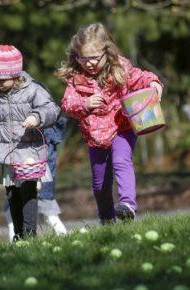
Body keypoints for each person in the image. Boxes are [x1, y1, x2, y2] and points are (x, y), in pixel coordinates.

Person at [55, 23, 163, 224]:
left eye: (94, 58)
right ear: (76, 56)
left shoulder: (120, 68)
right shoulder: (76, 79)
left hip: (122, 128)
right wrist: (84, 103)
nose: (89, 64)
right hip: (95, 137)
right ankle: (107, 219)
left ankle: (127, 205)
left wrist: (155, 84)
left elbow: (142, 78)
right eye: (83, 58)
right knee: (100, 185)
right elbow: (67, 105)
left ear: (107, 52)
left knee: (122, 161)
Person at [0, 45, 60, 241]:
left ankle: (30, 234)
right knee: (12, 194)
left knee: (28, 191)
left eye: (2, 80)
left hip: (29, 151)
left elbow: (51, 109)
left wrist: (37, 117)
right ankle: (19, 234)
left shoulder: (32, 90)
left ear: (15, 74)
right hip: (5, 153)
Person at [3, 116, 68, 240]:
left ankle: (62, 236)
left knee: (47, 210)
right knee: (17, 208)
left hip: (40, 168)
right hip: (24, 165)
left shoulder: (44, 112)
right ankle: (17, 238)